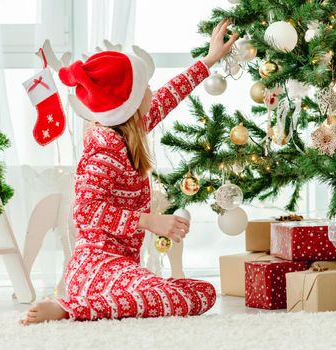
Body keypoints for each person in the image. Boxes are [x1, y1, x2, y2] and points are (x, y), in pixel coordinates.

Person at [21, 19, 238, 324]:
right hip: (94, 267)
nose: (152, 90)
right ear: (130, 103)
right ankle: (68, 309)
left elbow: (169, 95)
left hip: (120, 266)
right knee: (174, 299)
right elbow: (86, 211)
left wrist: (210, 59)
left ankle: (133, 298)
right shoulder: (103, 149)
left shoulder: (128, 128)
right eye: (145, 86)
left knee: (204, 293)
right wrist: (149, 221)